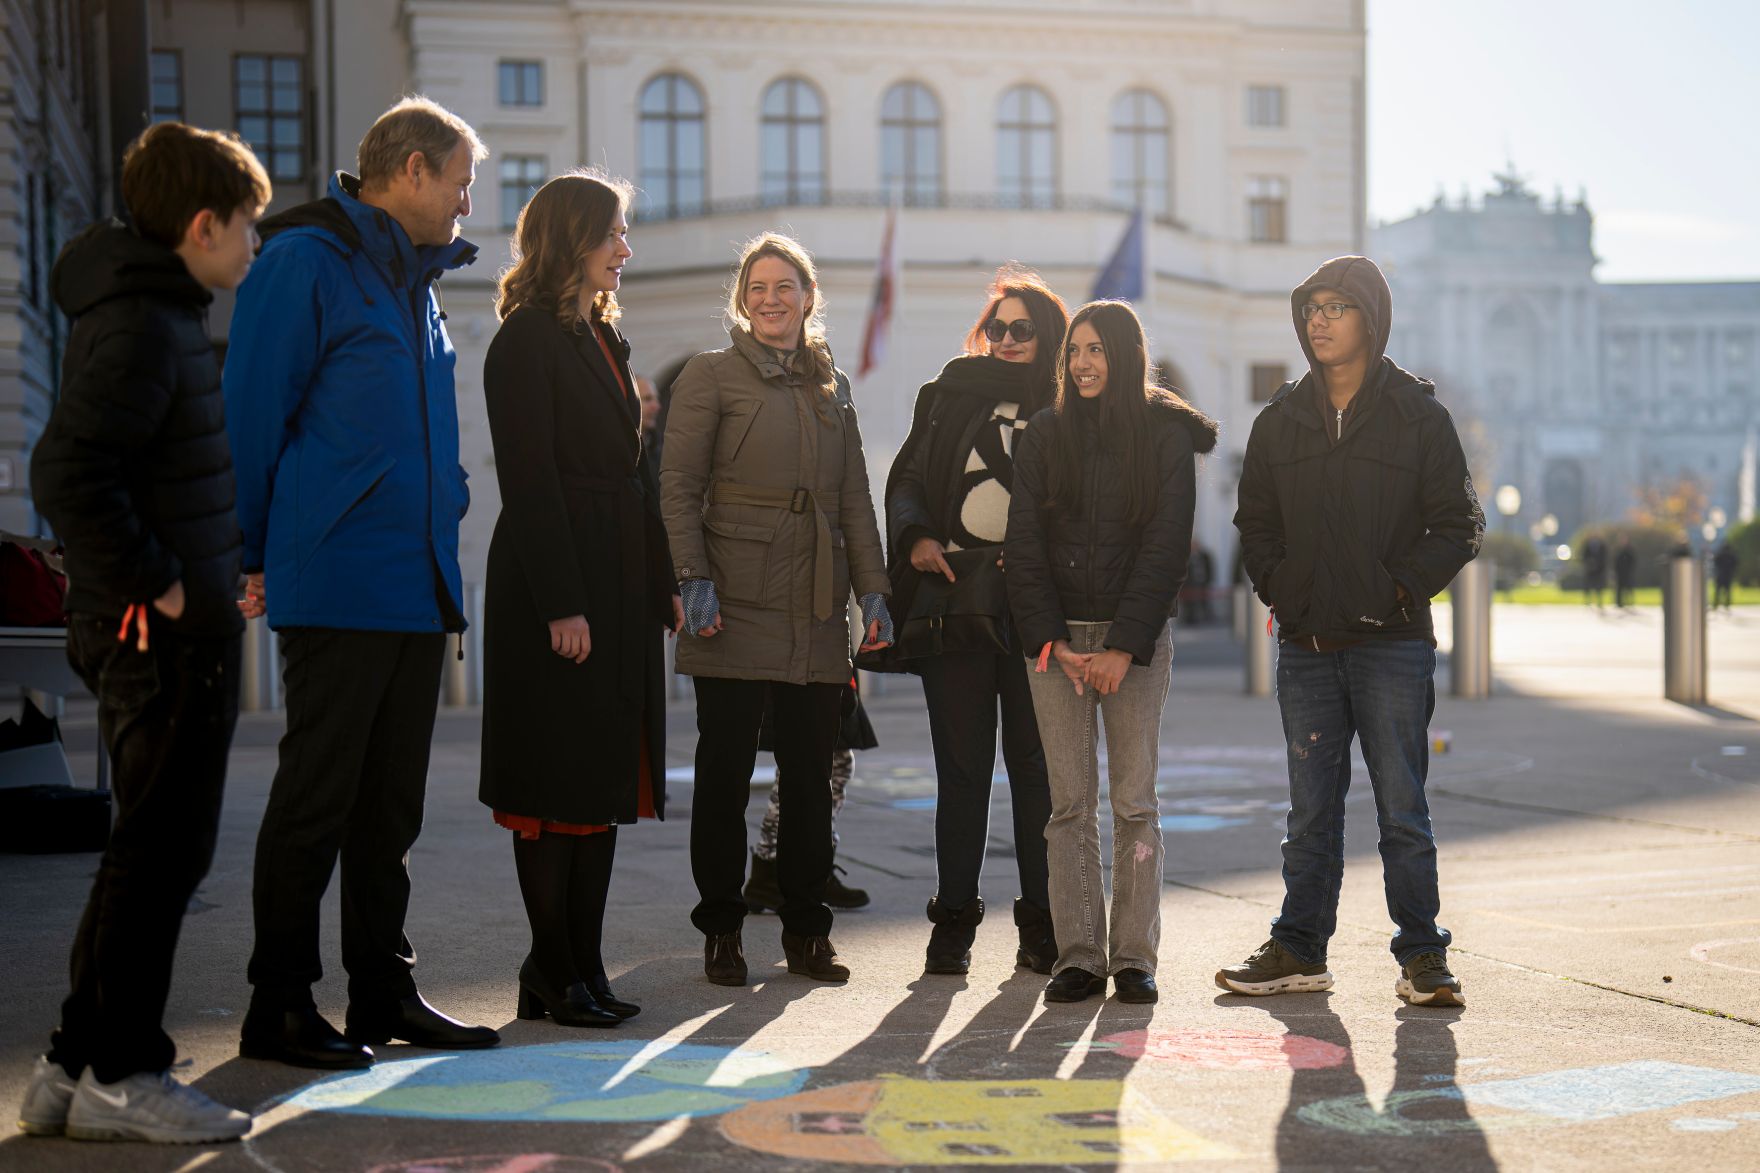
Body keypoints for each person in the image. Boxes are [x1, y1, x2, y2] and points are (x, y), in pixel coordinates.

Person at [225, 97, 498, 1069]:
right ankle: (279, 1005)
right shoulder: (303, 264)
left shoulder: (417, 287)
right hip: (335, 579)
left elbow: (429, 437)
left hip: (413, 585)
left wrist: (452, 499)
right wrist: (247, 552)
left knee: (390, 811)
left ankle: (383, 989)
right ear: (412, 169)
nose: (468, 202)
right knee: (316, 800)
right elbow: (251, 416)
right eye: (461, 181)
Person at [18, 122, 267, 1146]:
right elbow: (67, 473)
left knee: (145, 854)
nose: (253, 245)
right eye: (246, 226)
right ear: (202, 225)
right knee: (159, 857)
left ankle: (73, 1068)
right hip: (155, 638)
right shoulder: (141, 326)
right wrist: (164, 586)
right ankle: (126, 1072)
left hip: (167, 629)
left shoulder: (150, 313)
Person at [1219, 256, 1483, 1008]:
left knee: (1403, 807)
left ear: (1371, 318)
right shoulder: (1281, 418)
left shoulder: (1417, 414)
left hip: (1392, 644)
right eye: (1311, 307)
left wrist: (1395, 586)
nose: (1320, 319)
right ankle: (1299, 947)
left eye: (1337, 306)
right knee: (1310, 810)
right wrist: (1286, 587)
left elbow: (1460, 523)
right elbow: (1255, 524)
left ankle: (1423, 958)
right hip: (1305, 647)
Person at [660, 232, 893, 986]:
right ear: (742, 298)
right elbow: (678, 486)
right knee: (724, 776)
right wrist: (692, 578)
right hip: (733, 598)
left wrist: (874, 591)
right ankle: (722, 929)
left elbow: (853, 498)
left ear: (807, 297)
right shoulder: (710, 375)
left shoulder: (835, 390)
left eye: (784, 285)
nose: (770, 298)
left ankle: (807, 934)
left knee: (808, 779)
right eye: (757, 286)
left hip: (817, 607)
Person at [477, 171, 680, 1029]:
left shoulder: (603, 338)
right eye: (613, 235)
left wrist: (664, 577)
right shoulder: (523, 340)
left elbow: (637, 473)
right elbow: (529, 481)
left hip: (617, 573)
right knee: (554, 789)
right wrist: (563, 603)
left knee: (598, 785)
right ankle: (552, 972)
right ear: (572, 237)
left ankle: (580, 969)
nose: (625, 250)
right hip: (555, 581)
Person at [1006, 300, 1216, 1005]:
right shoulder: (1043, 434)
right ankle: (1078, 956)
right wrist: (1053, 641)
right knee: (1069, 805)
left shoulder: (1165, 438)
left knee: (1134, 803)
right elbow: (1024, 548)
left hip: (1134, 645)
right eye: (1075, 351)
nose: (1083, 363)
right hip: (1056, 647)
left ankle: (1133, 957)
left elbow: (1164, 550)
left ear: (1125, 356)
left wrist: (1124, 648)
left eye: (1097, 350)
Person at [882, 265, 1067, 976]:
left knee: (1036, 774)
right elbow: (907, 477)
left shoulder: (1068, 403)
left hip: (1037, 610)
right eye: (999, 327)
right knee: (962, 772)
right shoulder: (951, 393)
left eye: (1024, 328)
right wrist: (917, 535)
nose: (1010, 339)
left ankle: (1041, 925)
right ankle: (952, 924)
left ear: (1045, 332)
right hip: (956, 601)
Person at [743, 678, 877, 914]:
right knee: (810, 763)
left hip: (821, 662)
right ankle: (781, 869)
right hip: (806, 665)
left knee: (826, 762)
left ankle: (786, 869)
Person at [1183, 540, 1216, 626]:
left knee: (1204, 602)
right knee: (1190, 603)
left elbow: (1209, 568)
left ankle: (1206, 618)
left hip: (1203, 583)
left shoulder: (1205, 556)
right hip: (1190, 585)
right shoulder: (1187, 556)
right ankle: (1190, 619)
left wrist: (1209, 580)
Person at [1580, 534, 1608, 609]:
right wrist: (1589, 563)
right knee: (1588, 586)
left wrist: (1598, 564)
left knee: (1599, 587)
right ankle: (1588, 601)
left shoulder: (1601, 546)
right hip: (1589, 570)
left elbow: (1604, 558)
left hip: (1599, 570)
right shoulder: (1587, 546)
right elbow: (1584, 557)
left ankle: (1599, 602)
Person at [1713, 541, 1737, 610]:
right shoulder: (1731, 555)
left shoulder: (1720, 555)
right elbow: (1735, 563)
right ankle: (1726, 604)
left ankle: (1716, 604)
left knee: (1718, 591)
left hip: (1721, 575)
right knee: (1727, 591)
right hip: (1727, 575)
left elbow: (1716, 562)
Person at [1614, 535, 1636, 609]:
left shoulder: (1629, 550)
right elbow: (1615, 561)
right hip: (1619, 573)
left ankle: (1629, 602)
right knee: (1619, 589)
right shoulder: (1618, 550)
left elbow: (1633, 561)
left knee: (1628, 588)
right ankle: (1619, 603)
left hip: (1627, 572)